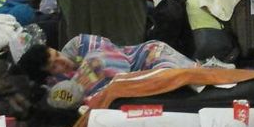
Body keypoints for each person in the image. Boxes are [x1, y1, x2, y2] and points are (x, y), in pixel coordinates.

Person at [16, 34, 196, 98]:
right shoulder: (57, 88)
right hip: (130, 84)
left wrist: (84, 77)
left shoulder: (77, 45)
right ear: (48, 76)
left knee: (174, 75)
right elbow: (70, 99)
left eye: (57, 54)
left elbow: (110, 56)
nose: (61, 61)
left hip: (141, 58)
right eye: (54, 66)